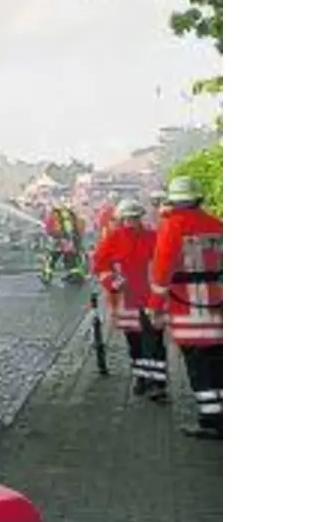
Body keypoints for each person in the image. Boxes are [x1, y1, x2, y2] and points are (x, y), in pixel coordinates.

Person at [147, 175, 223, 439]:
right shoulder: (217, 224)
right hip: (218, 307)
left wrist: (154, 306)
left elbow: (161, 271)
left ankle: (210, 420)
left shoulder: (172, 226)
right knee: (218, 363)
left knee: (198, 366)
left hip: (187, 309)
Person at [91, 199, 168, 400]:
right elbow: (99, 266)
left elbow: (166, 264)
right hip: (125, 300)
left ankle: (157, 384)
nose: (130, 222)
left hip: (152, 299)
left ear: (140, 218)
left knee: (154, 342)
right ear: (121, 219)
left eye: (134, 218)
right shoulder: (113, 239)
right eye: (127, 218)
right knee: (135, 343)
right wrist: (113, 282)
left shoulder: (153, 237)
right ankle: (142, 378)